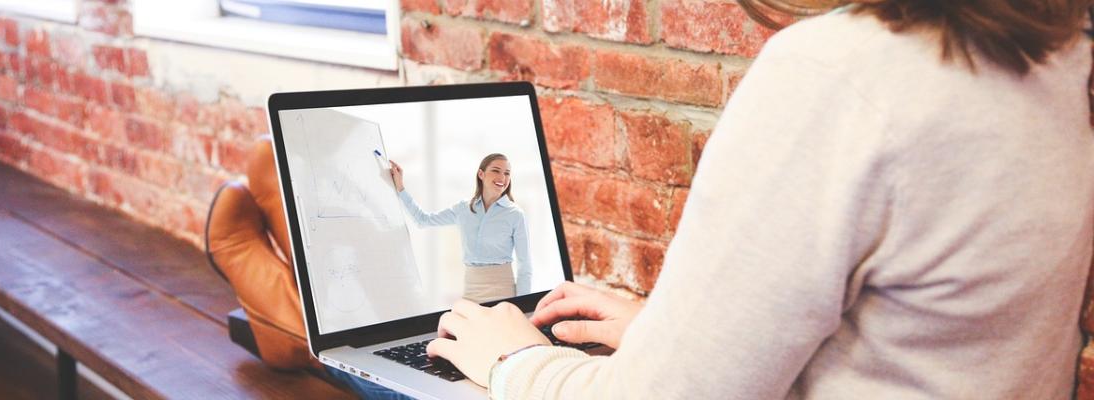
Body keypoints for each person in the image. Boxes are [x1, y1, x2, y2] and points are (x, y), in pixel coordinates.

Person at [423, 1, 1094, 399]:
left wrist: (515, 362)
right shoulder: (1063, 60)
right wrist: (683, 337)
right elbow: (922, 345)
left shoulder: (838, 74)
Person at [388, 153, 533, 302]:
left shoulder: (516, 215)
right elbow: (423, 220)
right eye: (496, 171)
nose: (502, 178)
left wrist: (522, 304)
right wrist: (400, 188)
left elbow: (525, 266)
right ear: (481, 174)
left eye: (507, 173)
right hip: (471, 291)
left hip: (503, 291)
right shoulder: (463, 209)